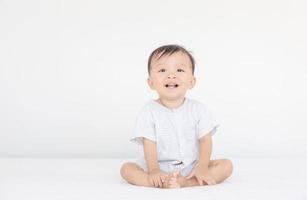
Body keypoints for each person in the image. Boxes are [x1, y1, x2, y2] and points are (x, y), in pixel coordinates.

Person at [120, 44, 233, 188]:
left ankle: (187, 182)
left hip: (191, 165)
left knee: (226, 165)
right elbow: (149, 143)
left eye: (179, 70)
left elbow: (205, 141)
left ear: (191, 81)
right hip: (157, 165)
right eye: (162, 70)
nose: (171, 75)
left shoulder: (198, 109)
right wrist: (154, 170)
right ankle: (157, 182)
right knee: (127, 169)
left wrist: (202, 167)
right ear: (151, 83)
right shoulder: (148, 111)